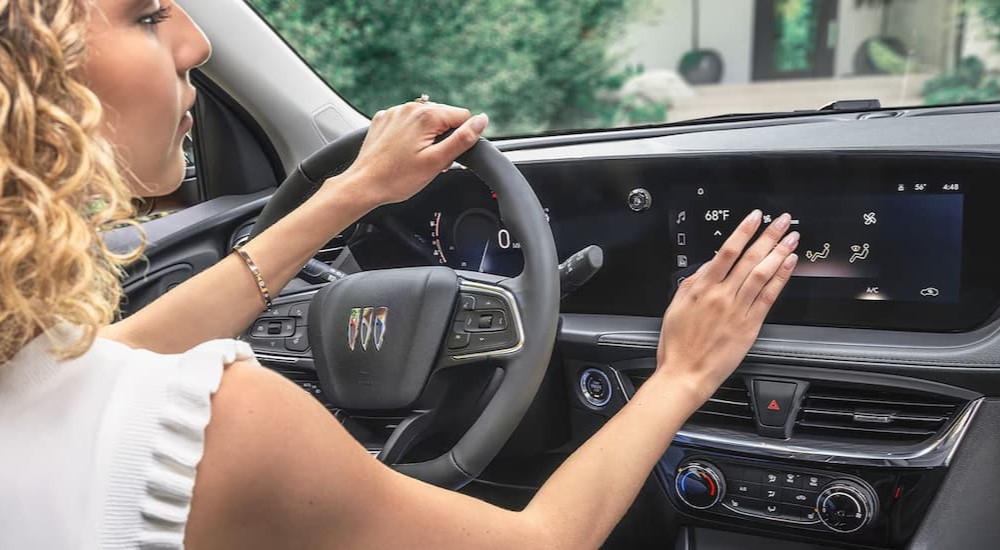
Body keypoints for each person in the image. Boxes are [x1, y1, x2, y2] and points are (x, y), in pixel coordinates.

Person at [0, 1, 800, 548]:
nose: (196, 44)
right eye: (145, 14)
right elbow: (545, 539)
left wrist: (349, 194)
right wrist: (683, 373)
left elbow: (118, 355)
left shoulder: (37, 368)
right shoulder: (227, 426)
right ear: (25, 75)